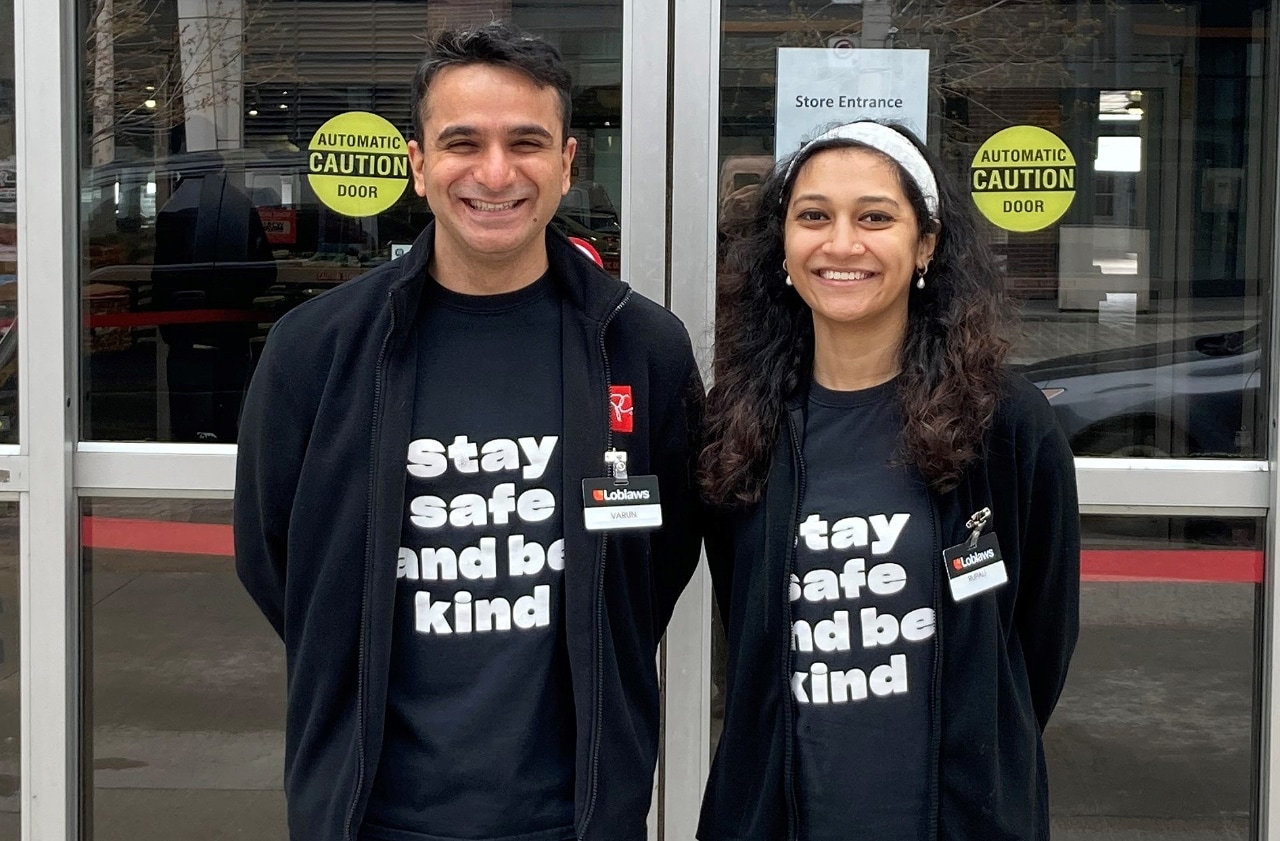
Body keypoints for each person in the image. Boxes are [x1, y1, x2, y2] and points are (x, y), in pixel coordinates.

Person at [234, 22, 703, 841]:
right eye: (462, 142)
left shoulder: (641, 346)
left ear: (565, 164)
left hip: (576, 813)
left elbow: (658, 559)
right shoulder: (317, 349)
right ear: (418, 165)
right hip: (370, 813)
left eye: (526, 141)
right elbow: (277, 557)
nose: (495, 172)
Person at [696, 120, 1080, 841]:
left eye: (875, 216)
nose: (841, 243)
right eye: (813, 216)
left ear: (926, 242)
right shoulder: (743, 424)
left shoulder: (1005, 423)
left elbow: (1037, 640)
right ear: (783, 243)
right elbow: (744, 620)